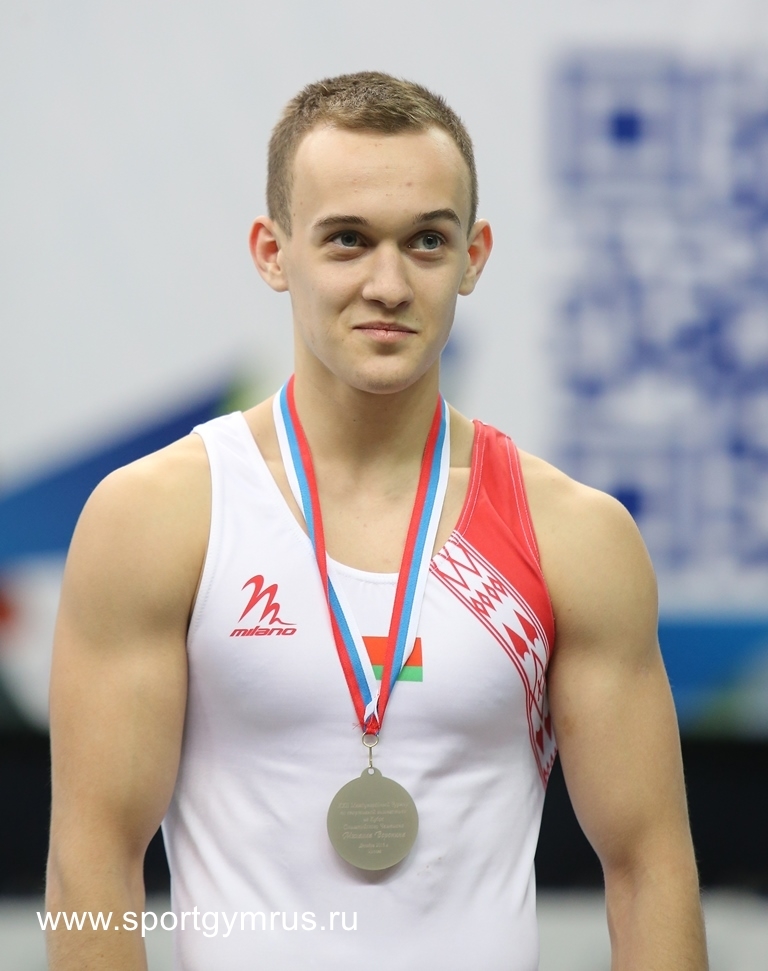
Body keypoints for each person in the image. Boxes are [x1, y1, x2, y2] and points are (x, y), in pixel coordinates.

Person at [46, 72, 708, 970]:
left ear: (473, 255)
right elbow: (91, 865)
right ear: (273, 251)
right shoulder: (161, 516)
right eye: (348, 240)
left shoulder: (573, 535)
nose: (388, 284)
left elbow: (649, 867)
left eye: (426, 241)